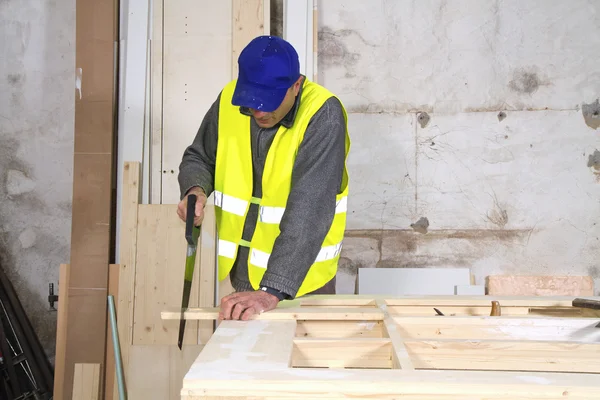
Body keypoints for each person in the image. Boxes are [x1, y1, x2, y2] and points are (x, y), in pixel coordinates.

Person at [176, 35, 350, 321]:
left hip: (299, 283)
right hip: (242, 278)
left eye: (268, 101)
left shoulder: (323, 115)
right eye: (250, 102)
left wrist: (273, 289)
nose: (258, 111)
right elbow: (200, 156)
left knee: (297, 363)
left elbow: (310, 208)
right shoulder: (228, 101)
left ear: (296, 86)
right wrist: (195, 189)